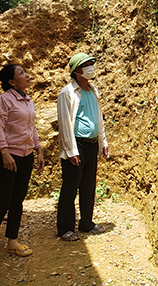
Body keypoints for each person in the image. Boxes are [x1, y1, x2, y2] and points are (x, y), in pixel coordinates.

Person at [0, 64, 45, 267]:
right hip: (9, 157)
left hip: (26, 155)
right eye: (22, 73)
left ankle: (12, 242)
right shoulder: (3, 100)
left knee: (18, 201)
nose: (27, 75)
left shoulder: (28, 101)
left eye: (26, 72)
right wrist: (4, 152)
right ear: (11, 82)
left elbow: (31, 127)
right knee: (3, 201)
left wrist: (39, 149)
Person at [56, 52, 109, 241]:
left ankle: (86, 223)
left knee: (88, 186)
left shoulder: (93, 91)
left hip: (92, 144)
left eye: (91, 63)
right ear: (77, 71)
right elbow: (64, 124)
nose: (91, 67)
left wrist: (103, 142)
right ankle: (65, 228)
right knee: (70, 188)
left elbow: (98, 119)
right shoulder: (67, 93)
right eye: (87, 64)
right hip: (76, 144)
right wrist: (71, 151)